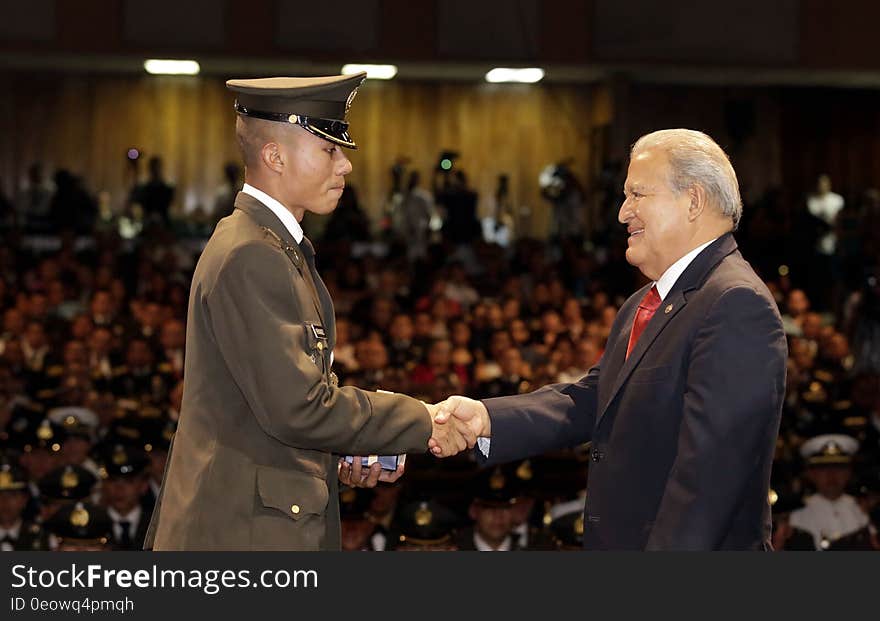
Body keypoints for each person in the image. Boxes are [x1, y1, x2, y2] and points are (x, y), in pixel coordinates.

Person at [146, 73, 471, 551]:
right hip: (240, 538)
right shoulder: (251, 253)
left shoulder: (272, 245)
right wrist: (422, 420)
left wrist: (341, 454)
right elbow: (298, 410)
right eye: (328, 150)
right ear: (274, 156)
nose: (345, 167)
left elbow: (265, 409)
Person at [432, 129, 788, 550]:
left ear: (693, 201)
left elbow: (708, 480)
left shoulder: (734, 303)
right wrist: (486, 420)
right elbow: (594, 400)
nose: (623, 213)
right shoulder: (648, 301)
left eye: (637, 194)